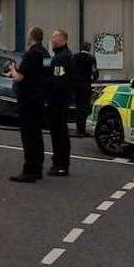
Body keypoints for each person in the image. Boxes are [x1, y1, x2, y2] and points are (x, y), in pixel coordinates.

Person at [9, 27, 50, 184]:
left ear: (32, 37)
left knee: (28, 136)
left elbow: (19, 77)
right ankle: (38, 168)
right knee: (37, 135)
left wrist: (13, 69)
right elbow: (47, 73)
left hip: (28, 100)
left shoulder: (31, 54)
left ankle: (29, 170)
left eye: (28, 34)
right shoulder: (46, 54)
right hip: (39, 99)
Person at [47, 30, 75, 176]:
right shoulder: (62, 55)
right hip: (61, 99)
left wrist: (50, 94)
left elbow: (58, 80)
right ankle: (59, 162)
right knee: (59, 133)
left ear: (61, 39)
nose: (51, 39)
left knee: (59, 134)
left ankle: (61, 164)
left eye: (54, 36)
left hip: (58, 101)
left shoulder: (61, 58)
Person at [73, 42, 99, 138]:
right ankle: (81, 130)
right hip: (85, 85)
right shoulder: (91, 58)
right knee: (84, 107)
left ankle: (78, 128)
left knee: (78, 106)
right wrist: (94, 79)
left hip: (75, 85)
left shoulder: (74, 57)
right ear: (89, 48)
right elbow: (94, 71)